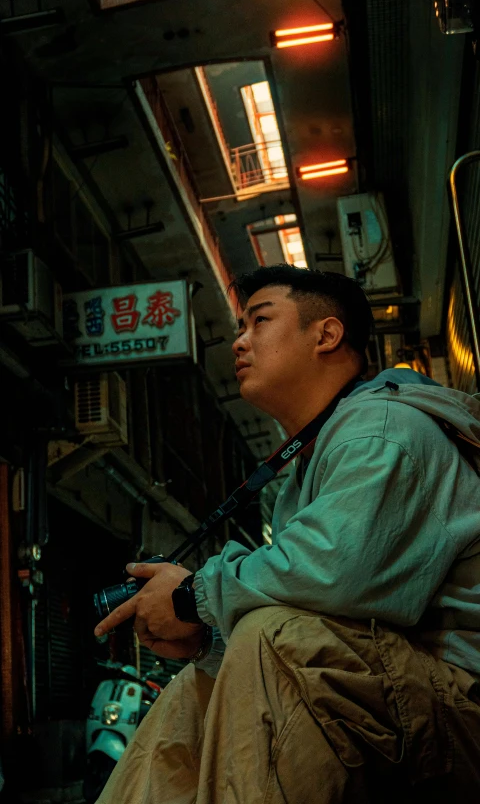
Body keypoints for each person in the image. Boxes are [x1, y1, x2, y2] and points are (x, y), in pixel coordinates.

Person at [94, 265, 480, 803]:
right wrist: (206, 638)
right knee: (200, 687)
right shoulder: (317, 457)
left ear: (325, 334)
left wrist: (192, 596)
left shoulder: (384, 432)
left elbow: (334, 574)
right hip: (409, 691)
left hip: (463, 702)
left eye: (260, 320)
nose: (239, 341)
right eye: (240, 327)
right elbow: (332, 617)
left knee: (270, 639)